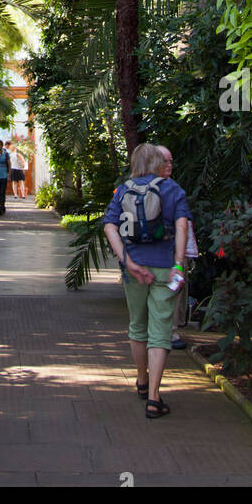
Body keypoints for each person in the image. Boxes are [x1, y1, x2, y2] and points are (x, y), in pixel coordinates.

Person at [103, 142, 191, 418]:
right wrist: (178, 262)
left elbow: (109, 226)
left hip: (134, 267)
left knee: (137, 326)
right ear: (156, 163)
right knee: (161, 327)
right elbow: (182, 225)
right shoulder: (172, 188)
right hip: (165, 266)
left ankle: (141, 380)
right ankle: (154, 397)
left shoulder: (123, 190)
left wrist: (126, 261)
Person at [156, 144, 195, 349]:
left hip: (167, 250)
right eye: (165, 161)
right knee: (169, 289)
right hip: (167, 250)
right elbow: (181, 224)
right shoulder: (169, 189)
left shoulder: (170, 187)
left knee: (172, 290)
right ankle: (167, 334)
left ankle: (166, 332)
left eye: (171, 161)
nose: (169, 165)